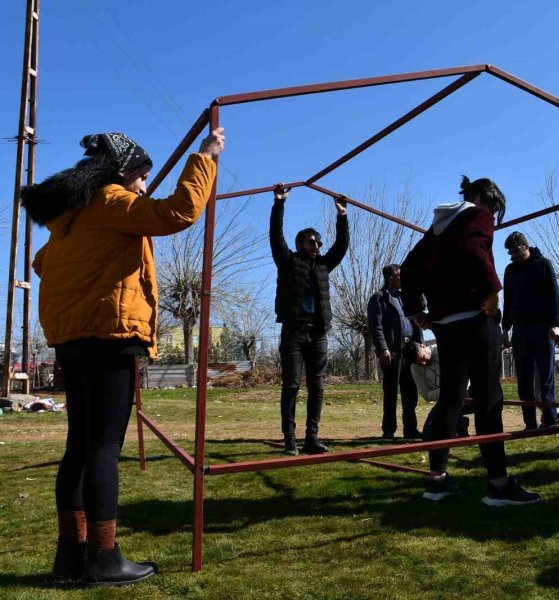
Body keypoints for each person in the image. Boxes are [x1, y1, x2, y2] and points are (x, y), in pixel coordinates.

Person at [22, 127, 226, 585]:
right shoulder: (112, 202)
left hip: (71, 338)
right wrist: (206, 156)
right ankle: (104, 558)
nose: (145, 186)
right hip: (111, 336)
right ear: (123, 172)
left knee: (79, 445)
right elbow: (179, 211)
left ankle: (71, 555)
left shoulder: (69, 217)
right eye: (142, 176)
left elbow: (42, 263)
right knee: (104, 447)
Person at [401, 176, 541, 506]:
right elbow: (474, 249)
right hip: (475, 318)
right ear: (484, 198)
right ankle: (498, 484)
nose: (492, 215)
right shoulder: (476, 215)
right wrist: (492, 291)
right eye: (493, 207)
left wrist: (417, 311)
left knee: (450, 398)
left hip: (445, 324)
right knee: (488, 397)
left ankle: (437, 480)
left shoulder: (437, 229)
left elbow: (409, 268)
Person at [270, 183, 349, 456]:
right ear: (300, 244)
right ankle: (290, 440)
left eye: (318, 242)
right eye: (312, 242)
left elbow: (341, 246)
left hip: (318, 333)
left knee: (317, 387)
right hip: (294, 332)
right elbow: (276, 237)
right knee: (291, 385)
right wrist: (279, 203)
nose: (317, 246)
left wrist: (342, 215)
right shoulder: (288, 262)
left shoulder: (324, 266)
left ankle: (311, 438)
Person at [501, 231, 559, 430]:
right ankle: (530, 424)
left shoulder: (543, 265)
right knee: (524, 380)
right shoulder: (510, 270)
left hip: (543, 328)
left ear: (526, 246)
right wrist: (505, 327)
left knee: (546, 378)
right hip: (520, 330)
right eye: (511, 253)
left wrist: (555, 324)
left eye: (516, 251)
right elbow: (508, 301)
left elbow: (555, 296)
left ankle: (550, 421)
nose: (514, 256)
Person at [368, 264, 423, 439]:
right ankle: (389, 430)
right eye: (400, 276)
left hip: (410, 349)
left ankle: (410, 429)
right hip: (392, 350)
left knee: (410, 392)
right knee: (391, 392)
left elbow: (421, 308)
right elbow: (375, 326)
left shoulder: (406, 296)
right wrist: (382, 348)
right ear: (390, 279)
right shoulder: (379, 298)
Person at [402, 339, 471, 439]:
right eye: (419, 363)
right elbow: (426, 394)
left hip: (469, 395)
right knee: (428, 436)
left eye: (422, 358)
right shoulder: (415, 368)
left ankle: (459, 423)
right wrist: (448, 389)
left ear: (422, 346)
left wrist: (454, 389)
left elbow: (463, 376)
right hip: (446, 401)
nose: (423, 363)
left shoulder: (443, 350)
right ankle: (460, 424)